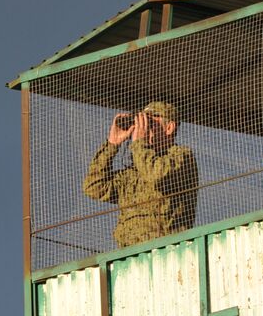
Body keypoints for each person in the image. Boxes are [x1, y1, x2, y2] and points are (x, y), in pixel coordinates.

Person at [83, 101, 199, 248]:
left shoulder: (180, 156)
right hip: (128, 254)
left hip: (167, 248)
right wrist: (112, 144)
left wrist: (139, 143)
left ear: (169, 127)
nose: (143, 129)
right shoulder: (133, 173)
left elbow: (155, 174)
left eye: (150, 123)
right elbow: (94, 187)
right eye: (142, 123)